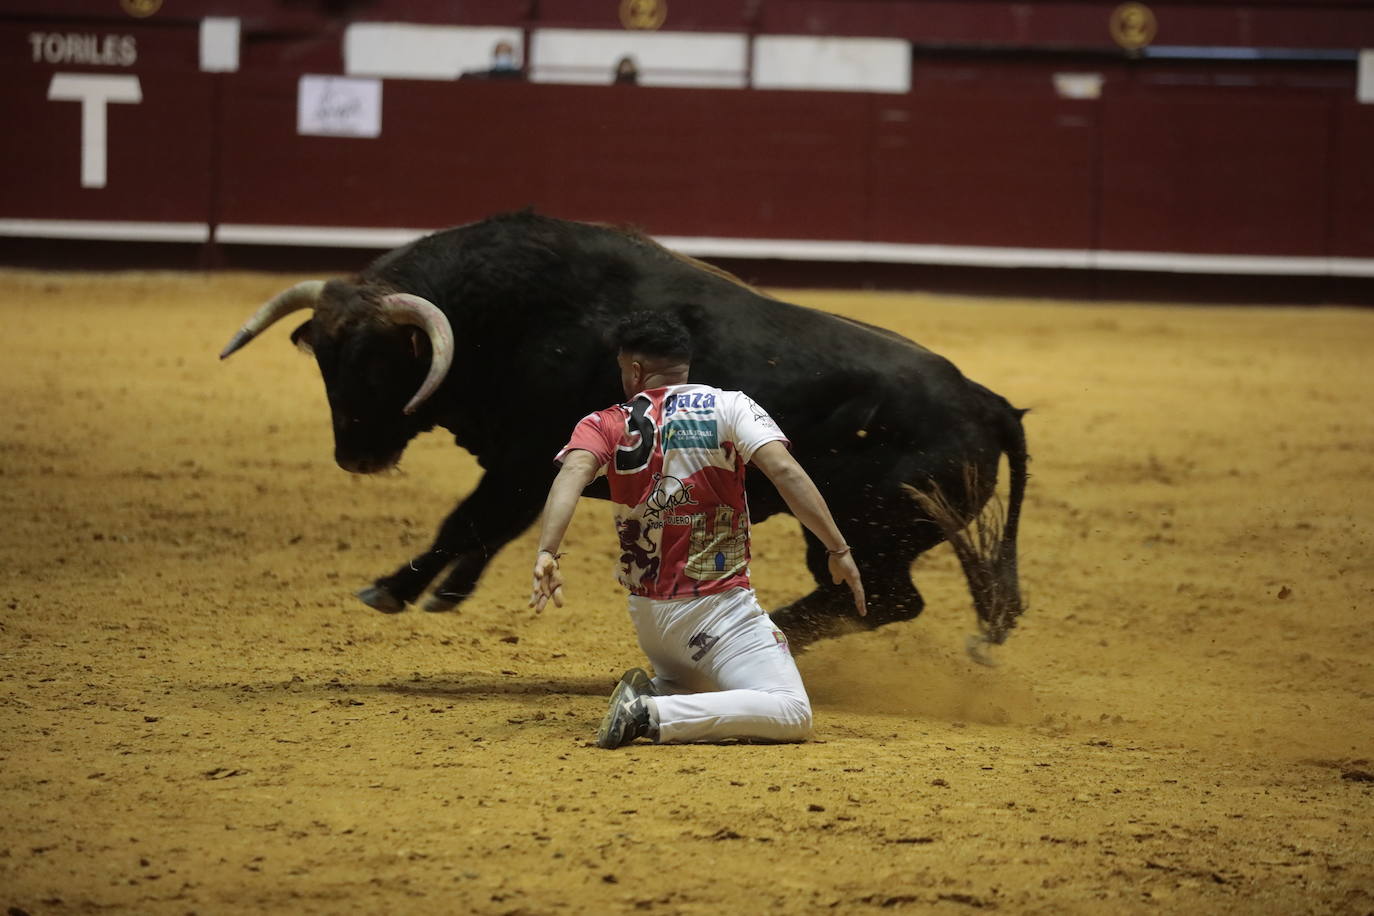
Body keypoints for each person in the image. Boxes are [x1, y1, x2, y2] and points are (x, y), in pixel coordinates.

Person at [530, 311, 866, 748]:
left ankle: (667, 688)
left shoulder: (602, 422)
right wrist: (837, 548)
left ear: (635, 370)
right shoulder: (731, 406)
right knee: (790, 710)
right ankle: (650, 711)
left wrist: (547, 551)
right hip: (716, 608)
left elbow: (571, 474)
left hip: (649, 617)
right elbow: (784, 472)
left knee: (709, 693)